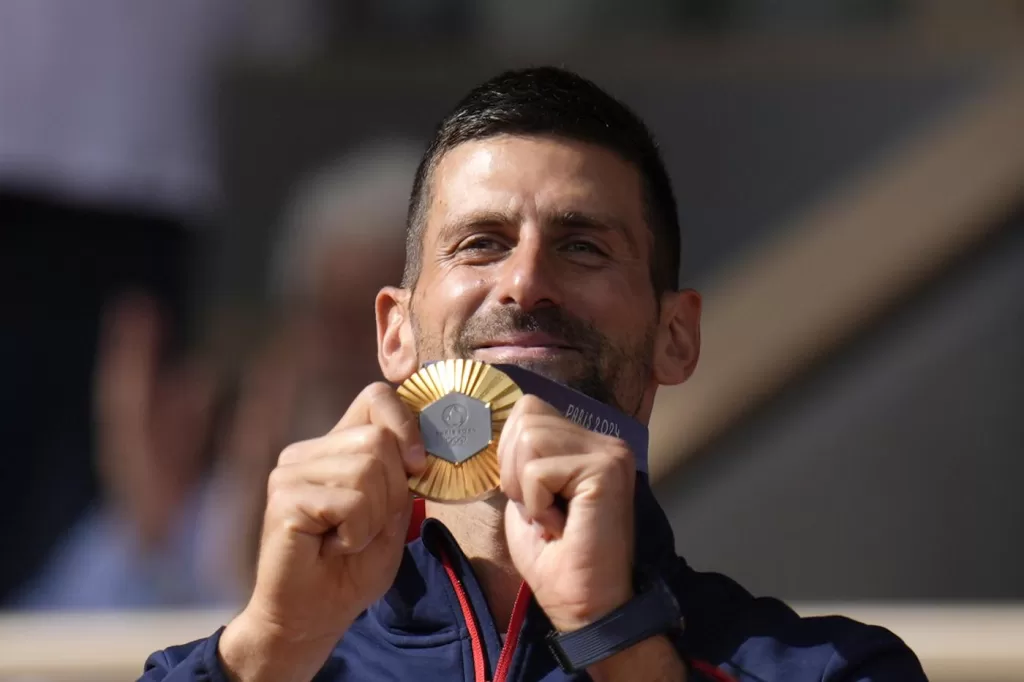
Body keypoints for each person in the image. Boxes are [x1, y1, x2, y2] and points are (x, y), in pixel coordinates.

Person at [139, 68, 926, 682]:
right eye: (481, 243)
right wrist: (276, 645)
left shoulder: (832, 670)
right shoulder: (257, 665)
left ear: (677, 337)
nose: (524, 283)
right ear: (394, 334)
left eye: (582, 246)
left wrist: (616, 634)